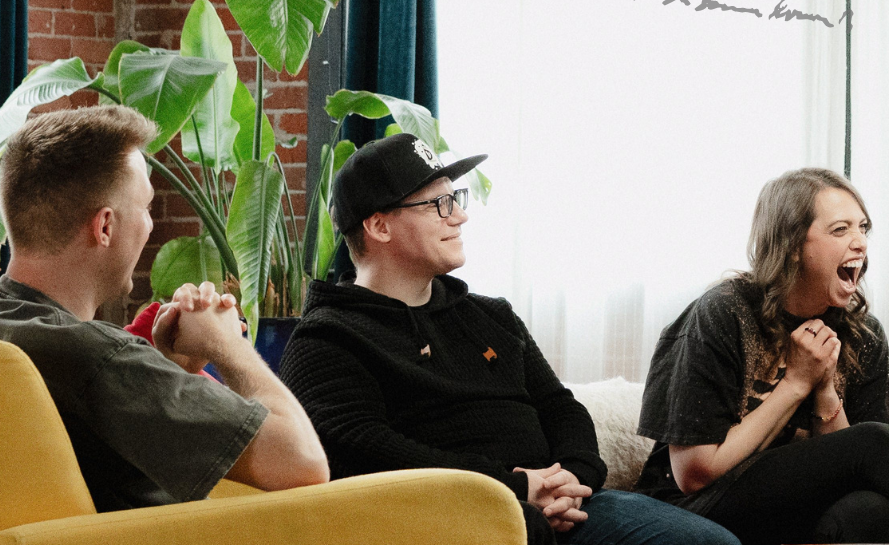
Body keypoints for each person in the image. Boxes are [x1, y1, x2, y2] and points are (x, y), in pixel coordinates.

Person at [278, 133, 737, 545]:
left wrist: (572, 478)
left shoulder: (491, 315)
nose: (459, 215)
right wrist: (513, 489)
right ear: (379, 227)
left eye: (454, 198)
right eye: (438, 204)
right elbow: (358, 450)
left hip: (568, 509)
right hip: (452, 522)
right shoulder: (329, 336)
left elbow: (561, 407)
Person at [0, 105, 328, 510]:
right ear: (105, 226)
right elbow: (304, 463)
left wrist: (169, 367)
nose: (150, 225)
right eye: (145, 208)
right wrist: (226, 344)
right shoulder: (99, 359)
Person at [634, 167, 889, 545]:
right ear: (792, 246)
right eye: (840, 230)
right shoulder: (726, 312)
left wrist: (824, 390)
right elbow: (693, 474)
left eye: (863, 228)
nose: (860, 243)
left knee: (869, 508)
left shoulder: (863, 335)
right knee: (873, 441)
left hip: (785, 506)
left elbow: (857, 469)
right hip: (691, 507)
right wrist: (795, 383)